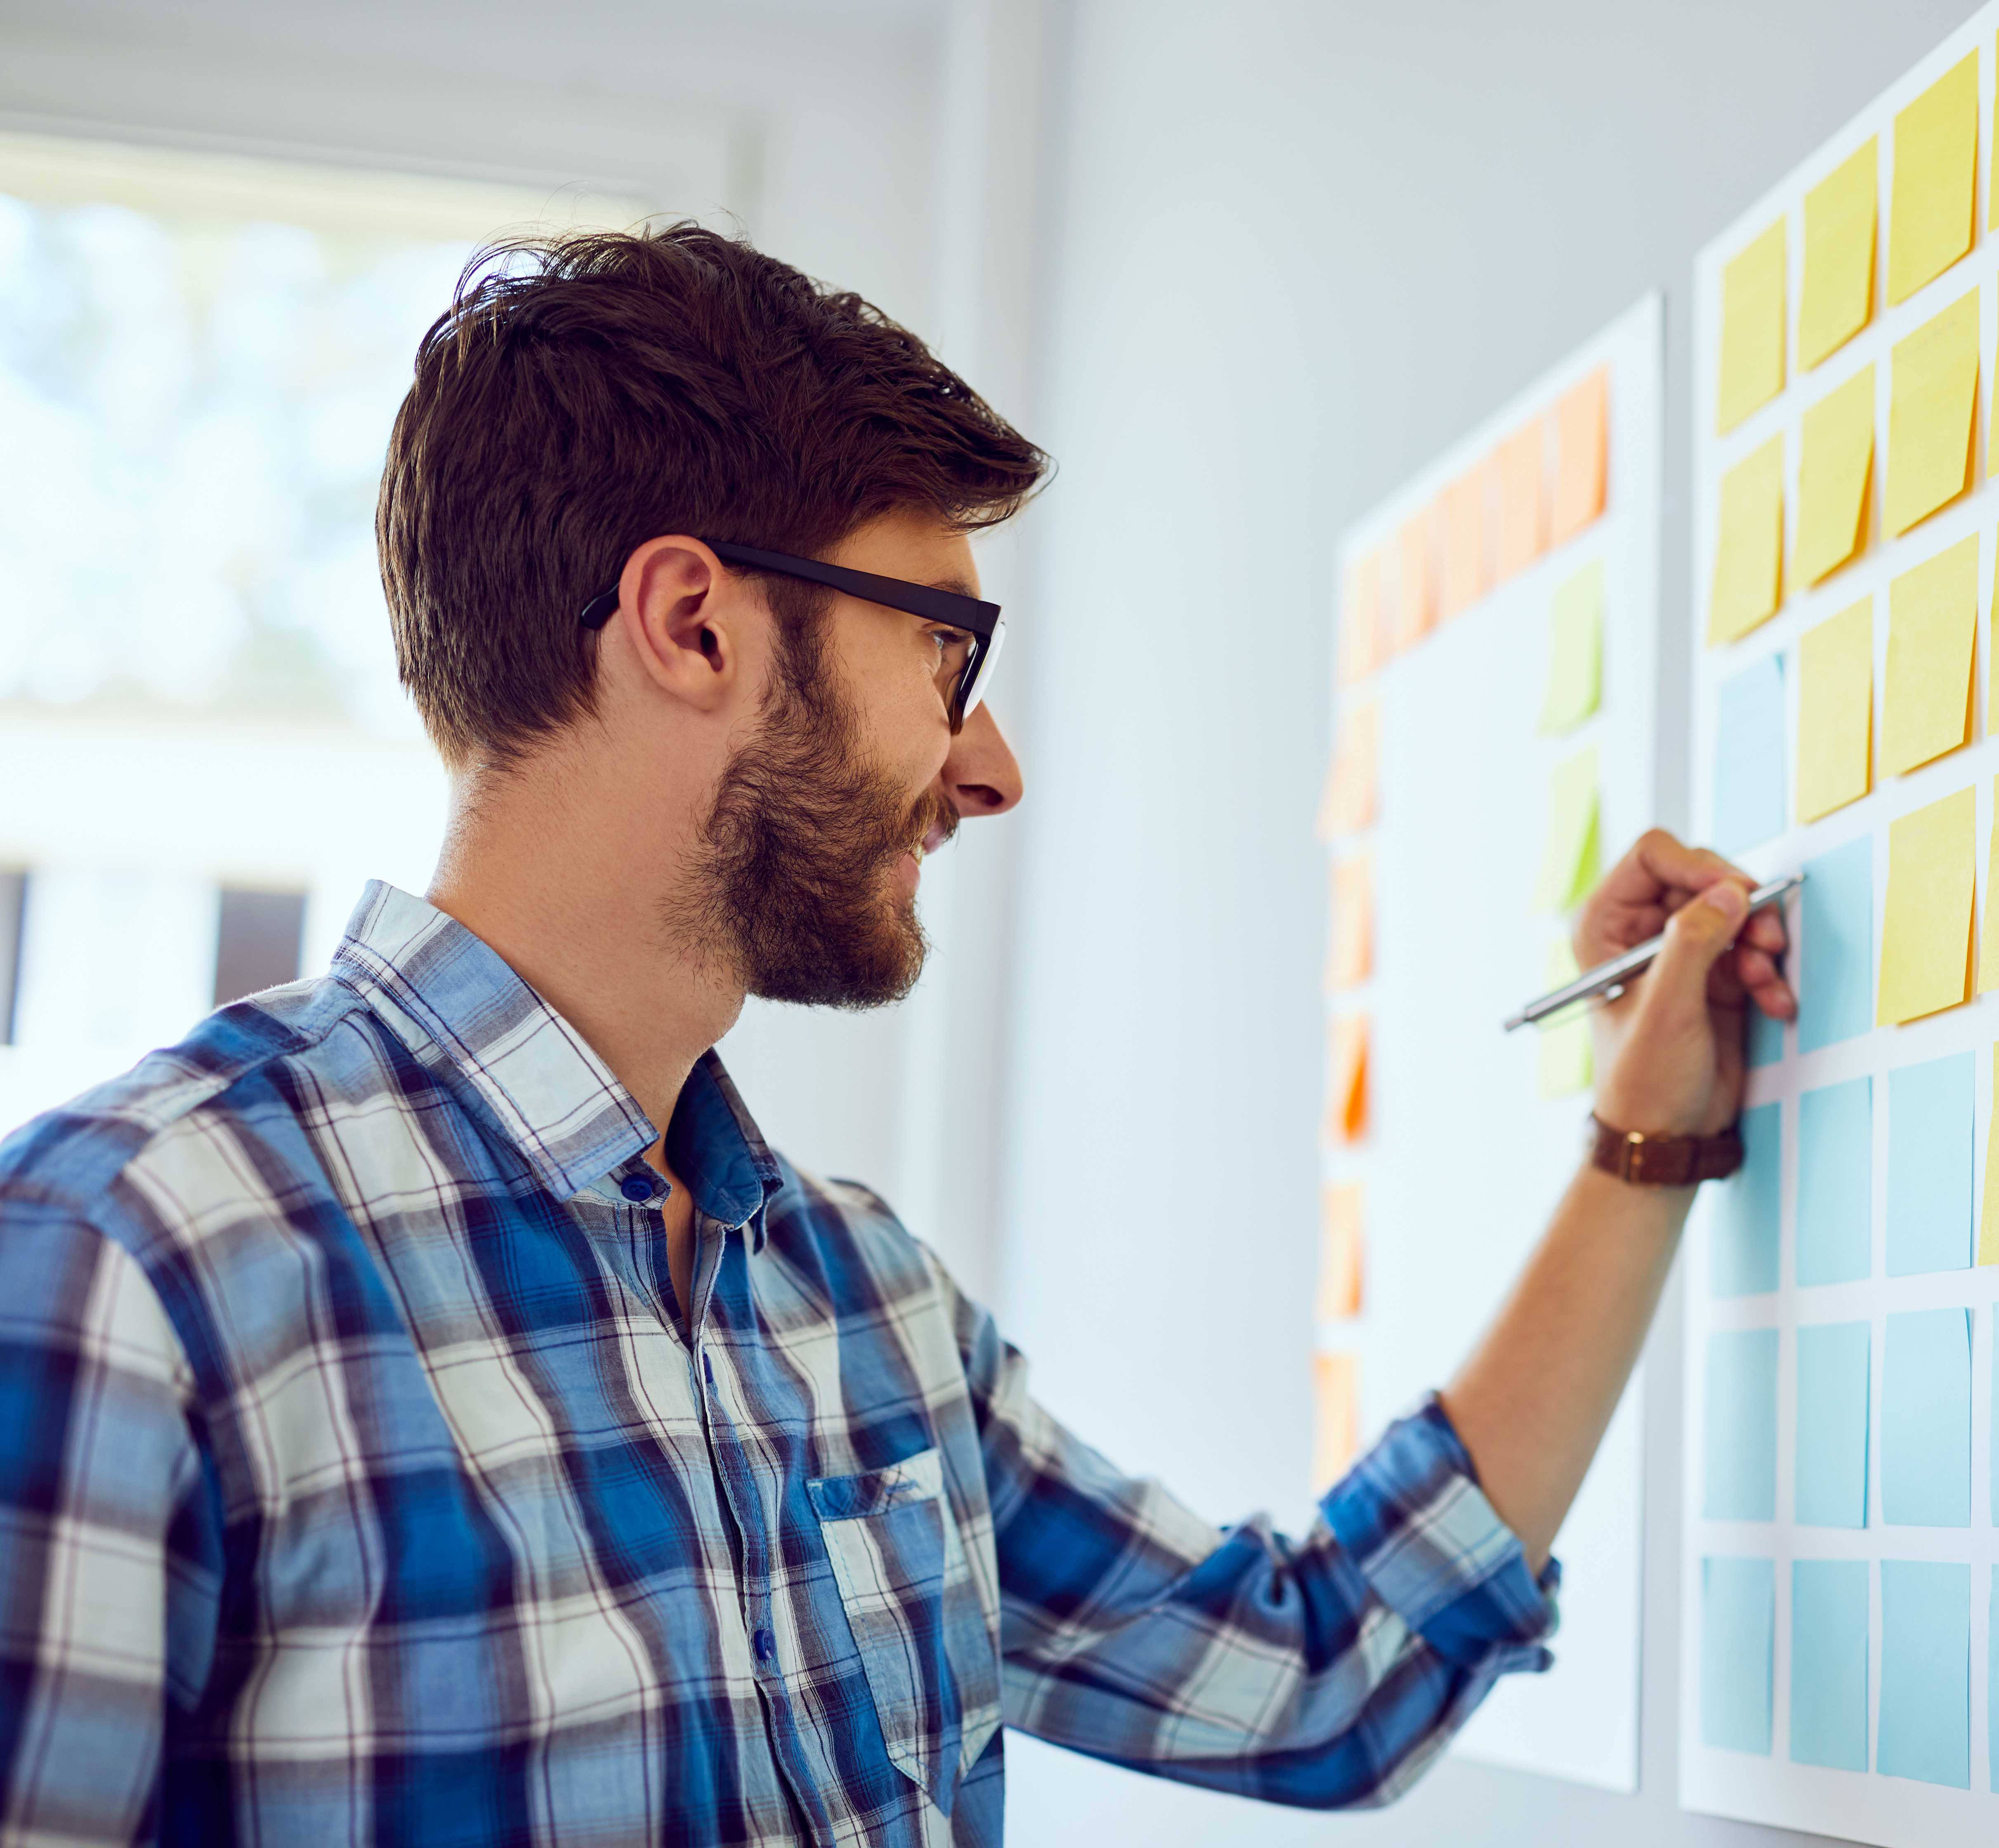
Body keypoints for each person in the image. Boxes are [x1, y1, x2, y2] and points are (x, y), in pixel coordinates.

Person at [0, 224, 1792, 1846]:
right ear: (695, 623)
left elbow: (1324, 1677)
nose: (993, 766)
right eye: (949, 653)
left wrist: (1653, 1139)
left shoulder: (865, 1310)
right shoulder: (131, 1265)